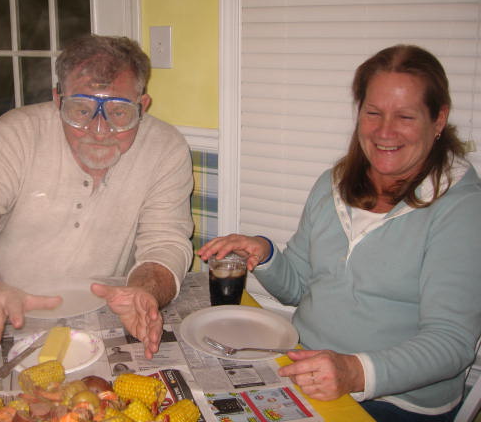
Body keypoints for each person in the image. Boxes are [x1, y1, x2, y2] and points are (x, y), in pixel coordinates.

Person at [198, 45, 481, 421]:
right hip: (301, 365)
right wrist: (264, 253)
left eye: (406, 116)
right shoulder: (333, 182)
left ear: (438, 119)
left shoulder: (461, 208)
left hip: (397, 401)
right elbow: (298, 286)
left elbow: (451, 344)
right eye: (373, 113)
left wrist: (354, 371)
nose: (384, 131)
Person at [0, 35, 194, 360]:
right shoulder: (15, 134)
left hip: (104, 319)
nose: (99, 131)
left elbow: (166, 241)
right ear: (58, 100)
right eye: (81, 110)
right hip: (2, 311)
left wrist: (144, 291)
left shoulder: (166, 148)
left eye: (119, 112)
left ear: (142, 105)